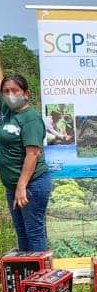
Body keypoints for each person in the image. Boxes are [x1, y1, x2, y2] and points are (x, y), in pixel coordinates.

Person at [0, 75, 51, 252]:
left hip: (31, 185)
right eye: (6, 91)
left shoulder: (30, 119)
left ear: (26, 93)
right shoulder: (7, 111)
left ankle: (41, 277)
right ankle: (26, 274)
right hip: (12, 185)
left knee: (34, 232)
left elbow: (33, 153)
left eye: (15, 90)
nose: (10, 95)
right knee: (21, 232)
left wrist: (21, 187)